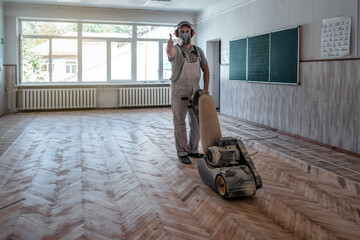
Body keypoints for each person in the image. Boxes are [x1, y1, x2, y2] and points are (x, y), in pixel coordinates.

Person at [166, 20, 210, 164]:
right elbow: (170, 53)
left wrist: (206, 89)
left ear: (192, 33)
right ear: (177, 33)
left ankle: (193, 150)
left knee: (196, 122)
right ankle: (182, 152)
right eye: (182, 31)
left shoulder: (198, 51)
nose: (185, 34)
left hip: (195, 91)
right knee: (180, 122)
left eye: (187, 31)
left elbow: (206, 69)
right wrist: (169, 47)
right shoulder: (176, 50)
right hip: (179, 91)